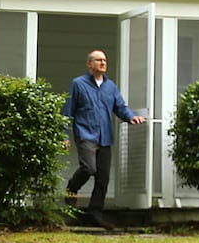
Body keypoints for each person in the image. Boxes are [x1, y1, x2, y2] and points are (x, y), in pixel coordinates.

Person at [62, 50, 146, 230]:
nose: (102, 63)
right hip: (85, 133)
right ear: (89, 64)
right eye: (98, 60)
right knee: (89, 168)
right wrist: (64, 135)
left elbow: (120, 106)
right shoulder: (78, 84)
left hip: (105, 137)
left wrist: (131, 117)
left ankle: (95, 214)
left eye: (104, 60)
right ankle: (72, 188)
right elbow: (67, 111)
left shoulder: (110, 86)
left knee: (103, 178)